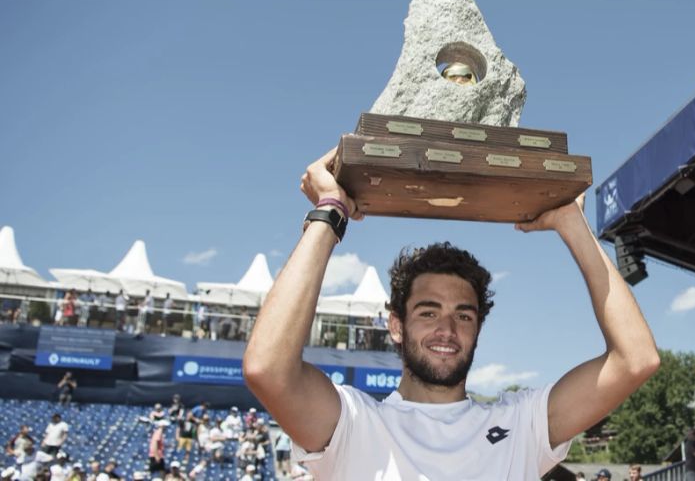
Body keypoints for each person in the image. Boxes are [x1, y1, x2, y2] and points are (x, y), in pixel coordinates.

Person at [243, 149, 660, 479]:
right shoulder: (353, 424)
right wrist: (329, 211)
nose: (447, 328)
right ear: (396, 325)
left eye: (463, 315)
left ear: (478, 327)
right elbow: (267, 369)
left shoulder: (522, 424)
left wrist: (572, 223)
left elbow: (636, 359)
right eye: (428, 312)